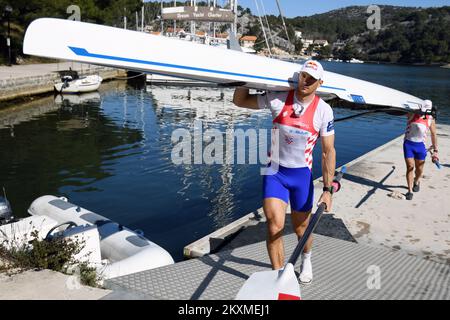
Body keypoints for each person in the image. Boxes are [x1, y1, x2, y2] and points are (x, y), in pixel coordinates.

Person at [233, 60, 336, 284]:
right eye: (303, 75)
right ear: (299, 75)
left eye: (311, 78)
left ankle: (306, 258)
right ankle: (278, 275)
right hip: (275, 172)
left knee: (301, 228)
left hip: (301, 176)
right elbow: (240, 101)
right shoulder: (278, 98)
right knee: (274, 225)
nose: (306, 81)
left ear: (320, 82)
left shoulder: (323, 111)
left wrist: (328, 190)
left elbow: (328, 152)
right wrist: (243, 74)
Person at [403, 100, 438, 200]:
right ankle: (409, 190)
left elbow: (434, 134)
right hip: (408, 144)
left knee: (419, 169)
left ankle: (416, 181)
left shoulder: (430, 119)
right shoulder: (412, 113)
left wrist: (435, 150)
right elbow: (399, 112)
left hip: (420, 146)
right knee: (410, 166)